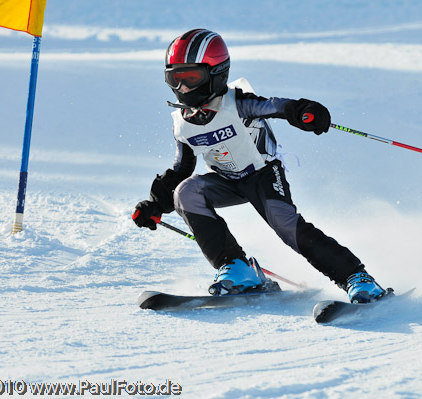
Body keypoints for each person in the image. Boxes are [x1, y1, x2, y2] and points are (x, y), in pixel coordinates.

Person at [132, 28, 388, 303]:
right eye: (175, 78)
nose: (182, 88)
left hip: (262, 175)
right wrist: (155, 205)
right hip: (226, 181)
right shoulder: (182, 124)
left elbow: (277, 107)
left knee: (285, 224)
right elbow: (181, 169)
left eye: (192, 78)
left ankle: (357, 279)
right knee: (186, 191)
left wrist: (304, 112)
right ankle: (237, 269)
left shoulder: (237, 104)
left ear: (216, 74)